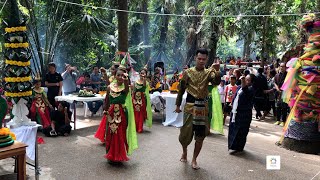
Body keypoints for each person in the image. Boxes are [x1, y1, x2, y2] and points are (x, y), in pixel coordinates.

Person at [175, 48, 220, 170]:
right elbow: (181, 90)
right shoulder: (188, 72)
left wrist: (217, 71)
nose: (201, 61)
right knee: (185, 134)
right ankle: (184, 152)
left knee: (200, 135)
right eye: (199, 58)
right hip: (190, 106)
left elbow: (216, 82)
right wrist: (178, 105)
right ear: (195, 58)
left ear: (206, 60)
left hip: (202, 108)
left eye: (203, 59)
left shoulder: (209, 72)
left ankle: (194, 159)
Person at [94, 66, 138, 162]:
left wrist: (126, 79)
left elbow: (126, 87)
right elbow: (107, 100)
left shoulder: (126, 88)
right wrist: (105, 110)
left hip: (122, 113)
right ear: (115, 76)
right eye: (118, 75)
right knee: (110, 133)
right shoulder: (110, 87)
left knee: (120, 134)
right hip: (110, 113)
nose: (120, 77)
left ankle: (119, 155)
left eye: (122, 75)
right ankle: (110, 155)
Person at [228, 74, 256, 153]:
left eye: (248, 80)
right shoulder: (239, 87)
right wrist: (232, 103)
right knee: (233, 129)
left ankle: (239, 148)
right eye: (245, 80)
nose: (246, 81)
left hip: (244, 115)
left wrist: (243, 81)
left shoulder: (251, 90)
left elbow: (245, 90)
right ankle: (233, 146)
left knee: (241, 132)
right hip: (235, 112)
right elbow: (235, 96)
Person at [132, 68, 152, 133]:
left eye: (143, 73)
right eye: (141, 73)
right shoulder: (136, 82)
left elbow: (144, 86)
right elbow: (134, 91)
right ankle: (135, 127)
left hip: (142, 100)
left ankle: (140, 128)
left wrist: (144, 78)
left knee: (140, 113)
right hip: (135, 99)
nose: (142, 74)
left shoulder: (145, 82)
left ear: (146, 74)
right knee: (135, 113)